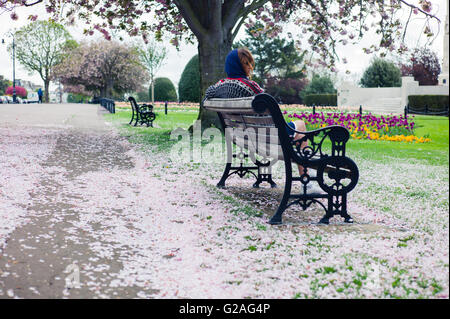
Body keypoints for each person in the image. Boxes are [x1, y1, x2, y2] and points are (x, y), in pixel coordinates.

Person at [206, 48, 308, 175]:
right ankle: (306, 177)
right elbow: (269, 106)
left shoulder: (219, 85)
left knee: (296, 128)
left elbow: (207, 97)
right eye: (246, 63)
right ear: (238, 65)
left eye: (250, 63)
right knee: (301, 124)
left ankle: (306, 172)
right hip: (268, 135)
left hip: (244, 135)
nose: (250, 67)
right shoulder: (249, 85)